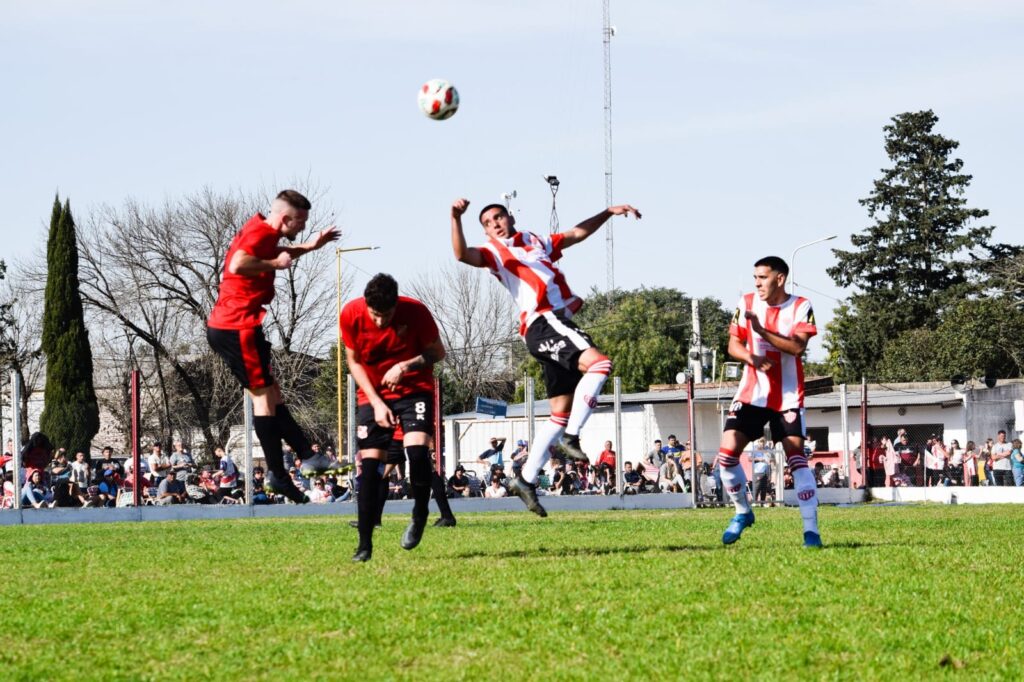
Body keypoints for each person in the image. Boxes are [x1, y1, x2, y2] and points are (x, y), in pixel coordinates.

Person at [451, 197, 641, 516]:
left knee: (559, 411)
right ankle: (573, 436)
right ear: (485, 232)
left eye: (499, 217)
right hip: (544, 320)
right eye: (487, 222)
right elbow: (461, 254)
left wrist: (607, 212)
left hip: (551, 325)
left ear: (510, 217)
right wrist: (455, 218)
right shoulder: (494, 254)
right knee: (600, 364)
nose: (495, 223)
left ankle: (524, 480)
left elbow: (575, 234)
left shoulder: (533, 240)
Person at [206, 189, 339, 503]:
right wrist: (274, 263)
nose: (302, 228)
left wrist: (309, 246)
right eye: (300, 222)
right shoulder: (260, 233)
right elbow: (239, 264)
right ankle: (278, 474)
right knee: (264, 399)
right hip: (237, 326)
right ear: (285, 218)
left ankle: (306, 457)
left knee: (273, 395)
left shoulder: (263, 231)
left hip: (236, 326)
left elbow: (277, 254)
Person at [713, 256, 823, 548]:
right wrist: (751, 357)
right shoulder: (747, 302)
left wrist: (762, 332)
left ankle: (811, 532)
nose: (757, 283)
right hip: (752, 394)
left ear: (780, 278)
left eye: (762, 277)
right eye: (755, 278)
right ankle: (742, 512)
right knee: (726, 455)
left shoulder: (801, 305)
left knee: (797, 460)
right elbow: (732, 344)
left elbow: (798, 347)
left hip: (787, 397)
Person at [340, 273, 446, 562]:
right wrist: (375, 401)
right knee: (372, 467)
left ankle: (420, 514)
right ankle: (364, 545)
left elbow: (439, 353)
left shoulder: (416, 312)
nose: (379, 322)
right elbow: (353, 361)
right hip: (373, 396)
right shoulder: (350, 313)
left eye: (385, 316)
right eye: (375, 315)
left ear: (396, 306)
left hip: (414, 390)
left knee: (417, 452)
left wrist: (405, 366)